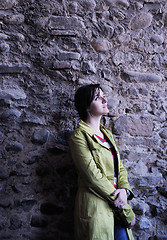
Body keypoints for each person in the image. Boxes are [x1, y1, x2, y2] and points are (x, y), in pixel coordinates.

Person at [69, 84, 136, 240]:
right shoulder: (78, 137)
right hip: (96, 207)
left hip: (117, 204)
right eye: (98, 98)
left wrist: (125, 190)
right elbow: (93, 178)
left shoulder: (106, 134)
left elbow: (120, 168)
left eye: (104, 96)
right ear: (86, 106)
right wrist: (124, 208)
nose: (105, 100)